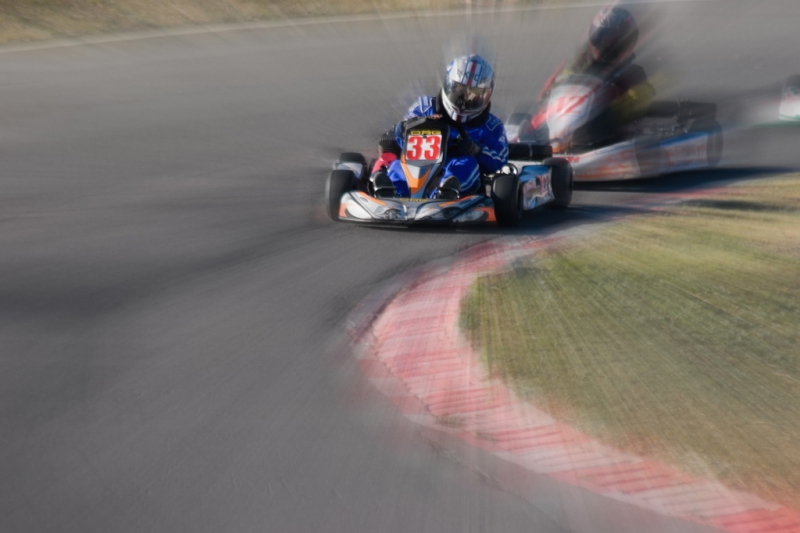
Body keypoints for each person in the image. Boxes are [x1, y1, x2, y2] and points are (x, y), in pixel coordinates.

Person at [370, 54, 508, 199]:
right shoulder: (423, 108)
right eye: (460, 91)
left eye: (474, 94)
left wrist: (475, 149)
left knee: (467, 164)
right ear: (449, 86)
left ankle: (445, 193)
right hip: (417, 163)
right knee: (398, 165)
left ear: (486, 95)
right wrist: (401, 130)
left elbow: (499, 159)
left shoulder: (491, 126)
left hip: (455, 167)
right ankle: (393, 193)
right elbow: (401, 140)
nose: (464, 101)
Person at [538, 5, 655, 146]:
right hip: (568, 123)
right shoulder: (578, 64)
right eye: (602, 37)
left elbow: (639, 99)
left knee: (603, 123)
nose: (608, 45)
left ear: (628, 43)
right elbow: (561, 83)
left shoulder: (633, 72)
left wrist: (613, 101)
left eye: (615, 41)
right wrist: (549, 95)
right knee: (525, 122)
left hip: (605, 133)